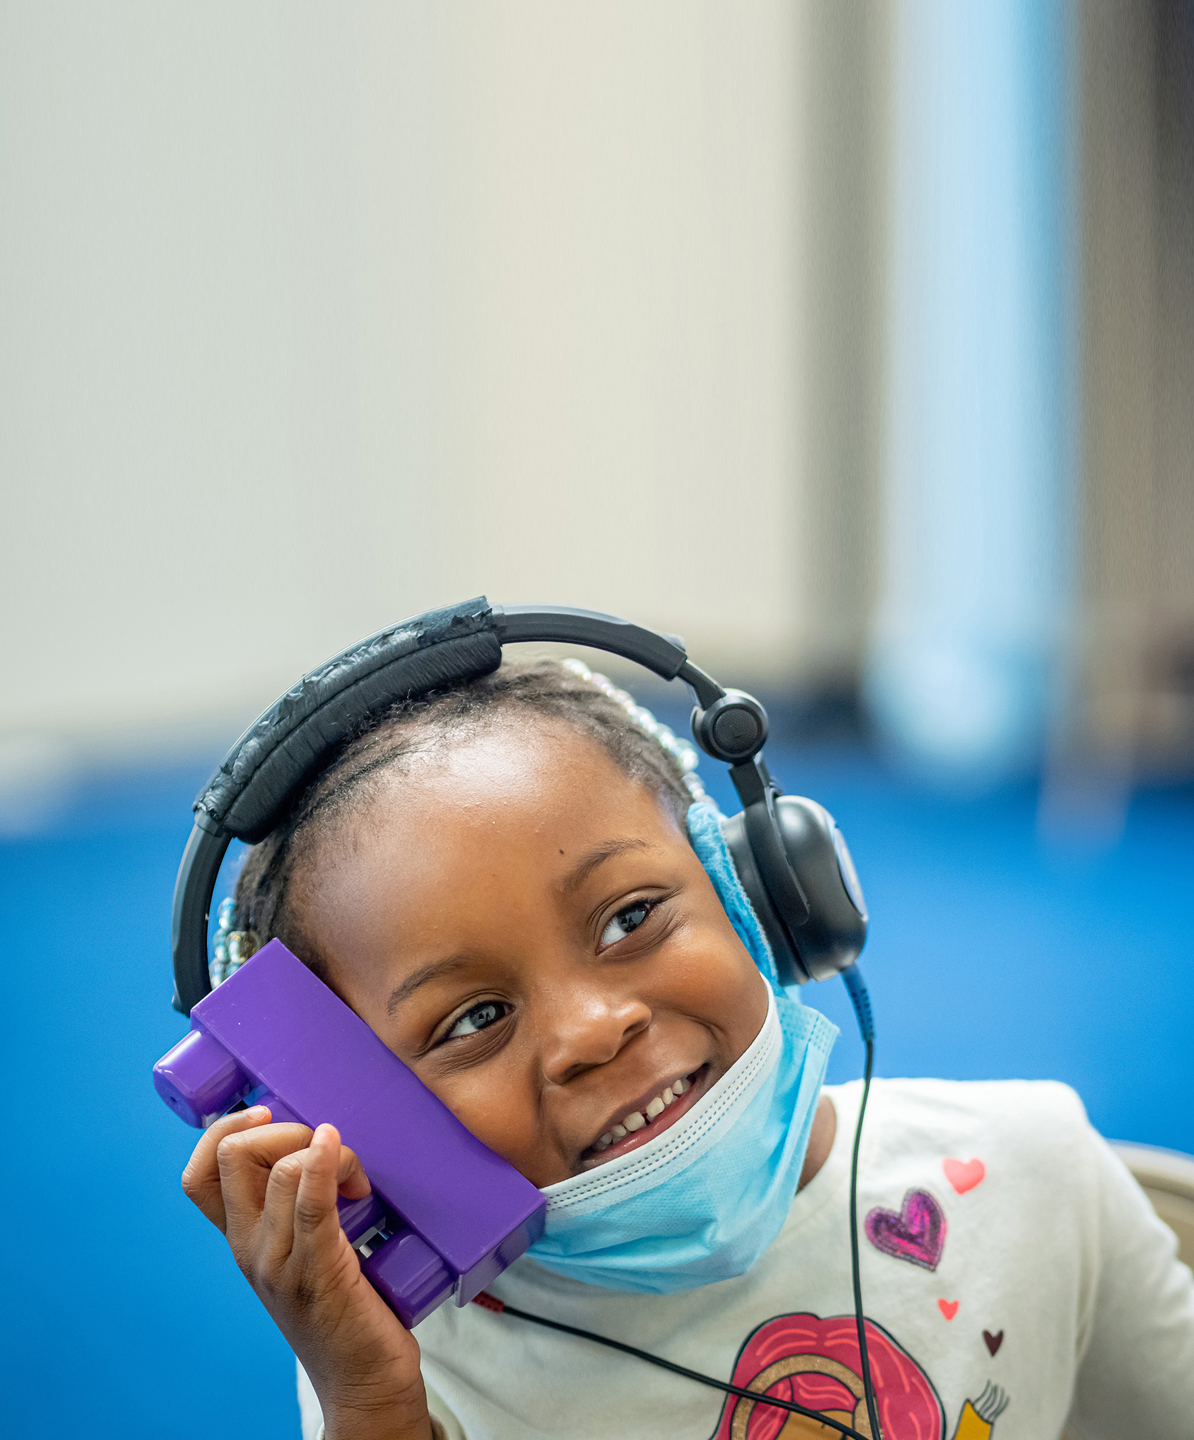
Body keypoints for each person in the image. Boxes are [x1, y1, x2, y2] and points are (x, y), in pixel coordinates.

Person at [179, 657, 1194, 1440]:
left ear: (757, 891)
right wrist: (370, 1408)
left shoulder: (1035, 1172)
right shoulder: (402, 1367)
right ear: (354, 1107)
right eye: (475, 1018)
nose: (592, 1029)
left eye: (630, 917)